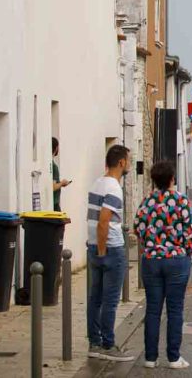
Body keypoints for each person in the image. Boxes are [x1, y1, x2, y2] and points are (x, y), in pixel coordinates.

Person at [134, 161, 192, 369]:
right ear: (172, 178)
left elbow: (138, 229)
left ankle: (150, 358)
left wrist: (151, 246)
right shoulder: (181, 201)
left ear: (154, 180)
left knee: (153, 309)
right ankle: (173, 357)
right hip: (177, 260)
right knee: (175, 309)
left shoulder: (146, 202)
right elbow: (191, 233)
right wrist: (186, 250)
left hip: (152, 260)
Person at [86, 145, 134, 362]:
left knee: (94, 298)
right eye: (129, 161)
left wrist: (96, 247)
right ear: (121, 162)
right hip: (110, 248)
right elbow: (104, 221)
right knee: (110, 300)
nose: (130, 165)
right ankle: (107, 344)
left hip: (93, 247)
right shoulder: (114, 188)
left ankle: (94, 342)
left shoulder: (97, 183)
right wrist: (104, 249)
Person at [51, 137, 71, 212]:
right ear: (56, 148)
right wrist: (62, 183)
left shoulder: (46, 164)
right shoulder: (53, 167)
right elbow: (52, 187)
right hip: (54, 205)